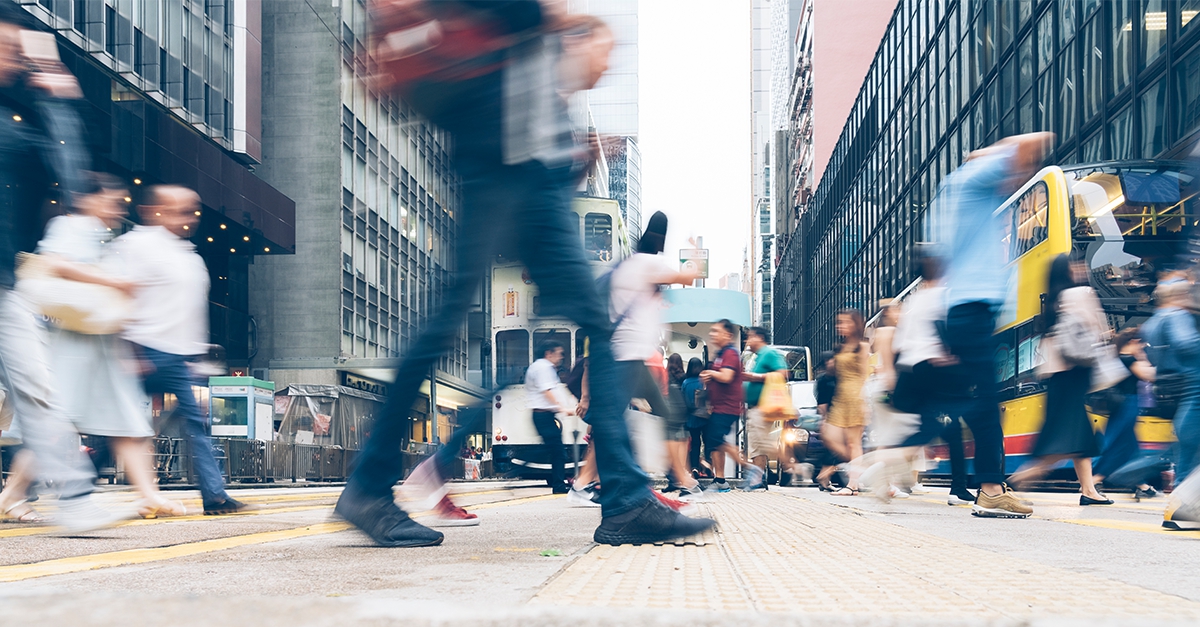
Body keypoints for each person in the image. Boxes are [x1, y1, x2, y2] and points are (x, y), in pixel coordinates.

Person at [340, 7, 714, 547]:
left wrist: (571, 156)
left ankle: (627, 501)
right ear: (579, 42)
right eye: (603, 54)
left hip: (526, 175)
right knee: (449, 324)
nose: (605, 68)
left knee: (577, 325)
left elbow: (529, 110)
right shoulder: (534, 29)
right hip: (503, 170)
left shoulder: (542, 64)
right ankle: (369, 488)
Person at [0, 8, 130, 533]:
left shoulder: (20, 118)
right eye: (6, 47)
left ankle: (75, 500)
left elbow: (75, 180)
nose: (13, 57)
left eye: (16, 50)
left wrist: (54, 91)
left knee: (36, 387)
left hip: (6, 284)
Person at [37, 174, 185, 518]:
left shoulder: (104, 237)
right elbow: (56, 264)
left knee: (128, 423)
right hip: (73, 345)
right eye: (111, 200)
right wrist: (114, 280)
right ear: (88, 199)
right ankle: (13, 495)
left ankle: (149, 494)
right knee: (58, 420)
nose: (117, 208)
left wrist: (126, 351)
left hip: (101, 346)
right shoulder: (68, 226)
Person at [112, 185, 251, 516]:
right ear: (154, 210)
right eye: (179, 209)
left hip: (179, 358)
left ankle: (215, 496)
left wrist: (196, 357)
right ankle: (73, 485)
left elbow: (190, 312)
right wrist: (128, 351)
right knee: (118, 423)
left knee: (196, 426)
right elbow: (121, 299)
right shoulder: (134, 245)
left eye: (192, 211)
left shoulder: (189, 255)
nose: (188, 218)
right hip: (142, 350)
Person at [938, 132, 1052, 518]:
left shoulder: (957, 190)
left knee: (978, 401)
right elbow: (1038, 140)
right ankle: (990, 488)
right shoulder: (972, 180)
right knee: (985, 402)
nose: (1019, 174)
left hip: (967, 310)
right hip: (971, 308)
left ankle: (991, 485)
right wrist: (992, 153)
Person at [608, 211, 701, 498]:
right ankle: (682, 481)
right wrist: (694, 248)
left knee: (619, 420)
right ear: (661, 237)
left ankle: (680, 480)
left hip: (627, 356)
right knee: (665, 416)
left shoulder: (628, 265)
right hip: (633, 358)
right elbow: (690, 276)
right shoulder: (648, 263)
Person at [1007, 255, 1112, 505]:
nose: (1080, 268)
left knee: (1080, 438)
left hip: (1058, 376)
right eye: (1074, 265)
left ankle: (1088, 491)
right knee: (1067, 439)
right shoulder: (1081, 294)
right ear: (1067, 271)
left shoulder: (1052, 302)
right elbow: (1098, 329)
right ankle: (1019, 478)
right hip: (1074, 373)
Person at [1141, 277, 1200, 489]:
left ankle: (1181, 487)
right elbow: (1186, 345)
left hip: (1165, 386)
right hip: (1187, 383)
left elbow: (1151, 355)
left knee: (1186, 443)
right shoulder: (1178, 316)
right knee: (1190, 441)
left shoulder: (1152, 322)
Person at [1092, 328, 1158, 500]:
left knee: (1129, 446)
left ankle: (1140, 484)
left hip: (1124, 405)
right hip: (1127, 405)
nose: (1144, 347)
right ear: (1135, 342)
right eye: (1143, 343)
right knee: (1119, 446)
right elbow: (1149, 375)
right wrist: (1142, 356)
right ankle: (1094, 480)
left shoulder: (1118, 358)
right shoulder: (1128, 359)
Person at [700, 319, 760, 492]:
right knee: (715, 442)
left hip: (728, 407)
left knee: (715, 439)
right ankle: (720, 480)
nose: (712, 334)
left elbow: (726, 377)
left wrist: (711, 373)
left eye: (716, 331)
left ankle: (749, 467)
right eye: (711, 331)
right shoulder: (720, 354)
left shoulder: (731, 353)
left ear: (727, 335)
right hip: (719, 407)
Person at [823, 310, 870, 496]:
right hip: (840, 397)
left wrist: (865, 402)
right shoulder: (840, 347)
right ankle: (864, 470)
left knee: (853, 444)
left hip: (856, 396)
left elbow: (865, 375)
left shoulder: (863, 346)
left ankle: (852, 484)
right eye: (839, 322)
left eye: (845, 322)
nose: (840, 326)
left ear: (855, 324)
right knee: (829, 437)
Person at [741, 326, 788, 491]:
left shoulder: (769, 353)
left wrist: (754, 377)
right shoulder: (757, 357)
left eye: (749, 337)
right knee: (756, 445)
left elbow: (783, 374)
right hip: (754, 407)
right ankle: (758, 479)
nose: (747, 341)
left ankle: (788, 466)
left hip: (763, 407)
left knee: (761, 443)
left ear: (759, 337)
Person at [526, 340, 571, 494]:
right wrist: (561, 408)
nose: (560, 358)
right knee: (558, 451)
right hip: (543, 415)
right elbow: (547, 391)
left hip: (544, 416)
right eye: (558, 354)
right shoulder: (543, 367)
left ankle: (559, 483)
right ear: (548, 353)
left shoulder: (541, 367)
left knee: (553, 450)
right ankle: (558, 486)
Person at [813, 350, 839, 490]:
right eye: (827, 361)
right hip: (831, 418)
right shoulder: (822, 380)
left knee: (834, 450)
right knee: (837, 449)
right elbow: (821, 403)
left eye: (832, 360)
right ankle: (824, 476)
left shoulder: (841, 377)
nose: (830, 363)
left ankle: (825, 477)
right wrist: (824, 421)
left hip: (843, 416)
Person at [680, 357, 708, 477]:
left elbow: (683, 401)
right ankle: (708, 467)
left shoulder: (685, 383)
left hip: (691, 418)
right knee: (707, 442)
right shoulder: (704, 381)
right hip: (705, 417)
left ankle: (694, 468)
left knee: (695, 443)